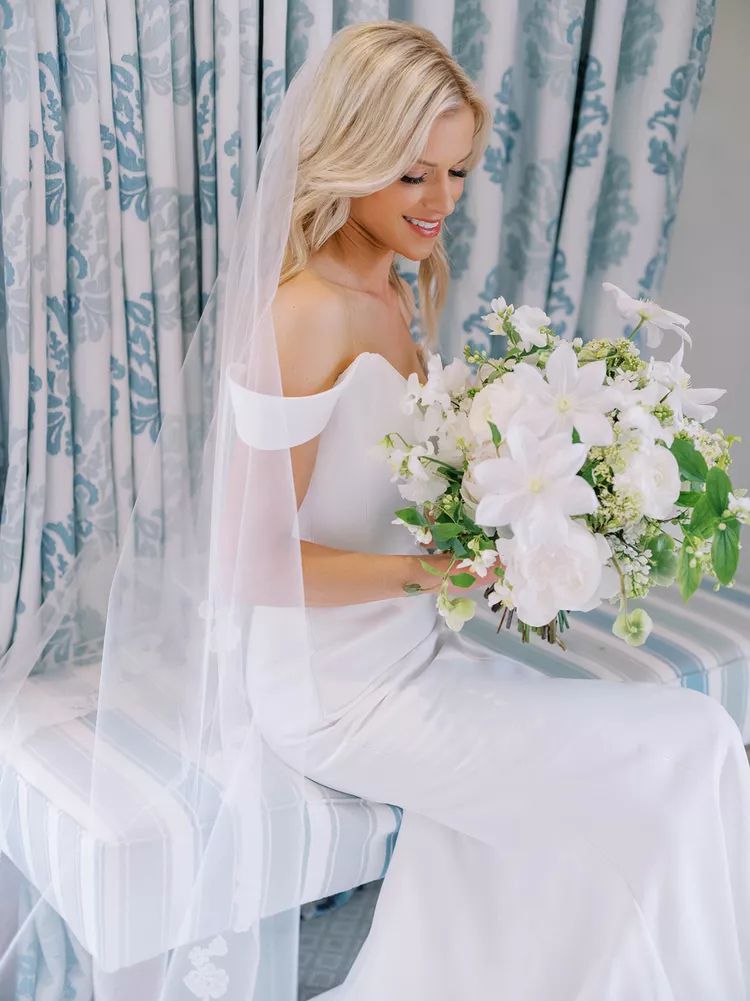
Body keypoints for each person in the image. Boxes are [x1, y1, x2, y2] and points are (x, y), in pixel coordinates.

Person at [236, 19, 750, 999]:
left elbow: (390, 484)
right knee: (690, 752)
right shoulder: (304, 314)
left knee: (689, 747)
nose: (442, 204)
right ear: (353, 155)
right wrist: (432, 572)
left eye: (459, 172)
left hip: (419, 651)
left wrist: (527, 516)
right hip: (336, 691)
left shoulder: (399, 284)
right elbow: (252, 564)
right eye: (414, 175)